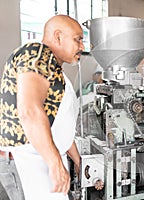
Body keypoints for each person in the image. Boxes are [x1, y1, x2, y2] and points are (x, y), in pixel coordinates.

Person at [0, 14, 83, 200]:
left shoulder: (55, 71)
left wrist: (77, 160)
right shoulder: (36, 53)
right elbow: (29, 111)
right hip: (25, 161)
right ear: (58, 36)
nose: (82, 47)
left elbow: (59, 123)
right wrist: (55, 164)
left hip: (41, 160)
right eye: (78, 40)